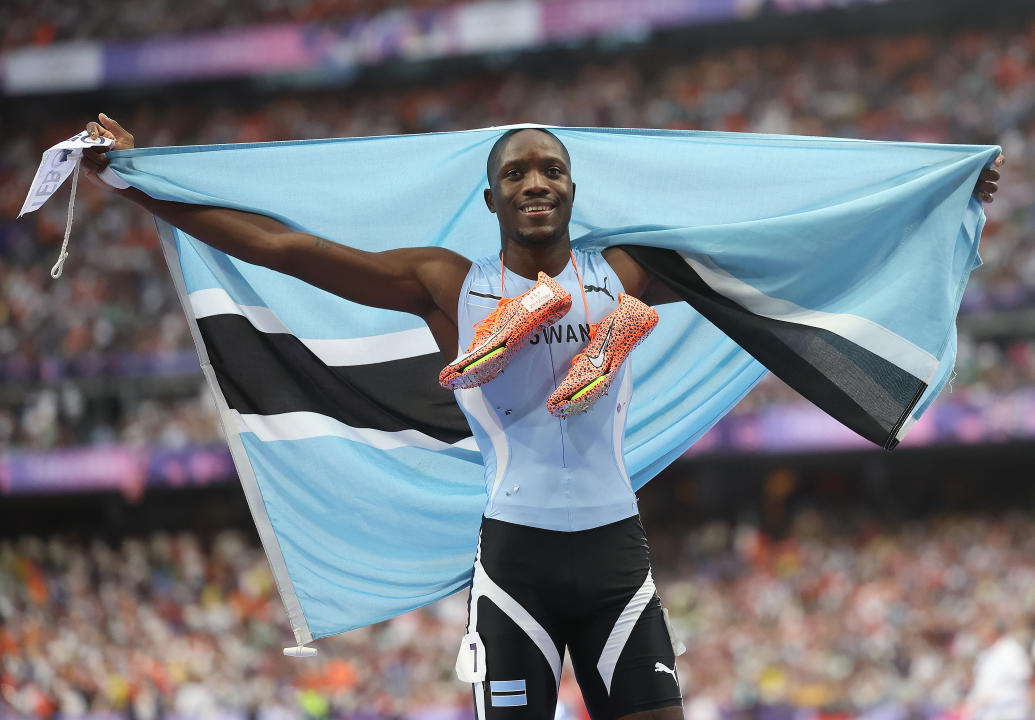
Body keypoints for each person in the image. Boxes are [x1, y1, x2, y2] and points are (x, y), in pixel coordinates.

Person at [80, 113, 1003, 720]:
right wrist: (135, 181)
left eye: (551, 170)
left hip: (614, 563)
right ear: (490, 199)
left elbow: (782, 238)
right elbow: (289, 248)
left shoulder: (625, 274)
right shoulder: (446, 284)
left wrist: (933, 197)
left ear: (570, 192)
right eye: (517, 171)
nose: (536, 181)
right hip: (514, 564)